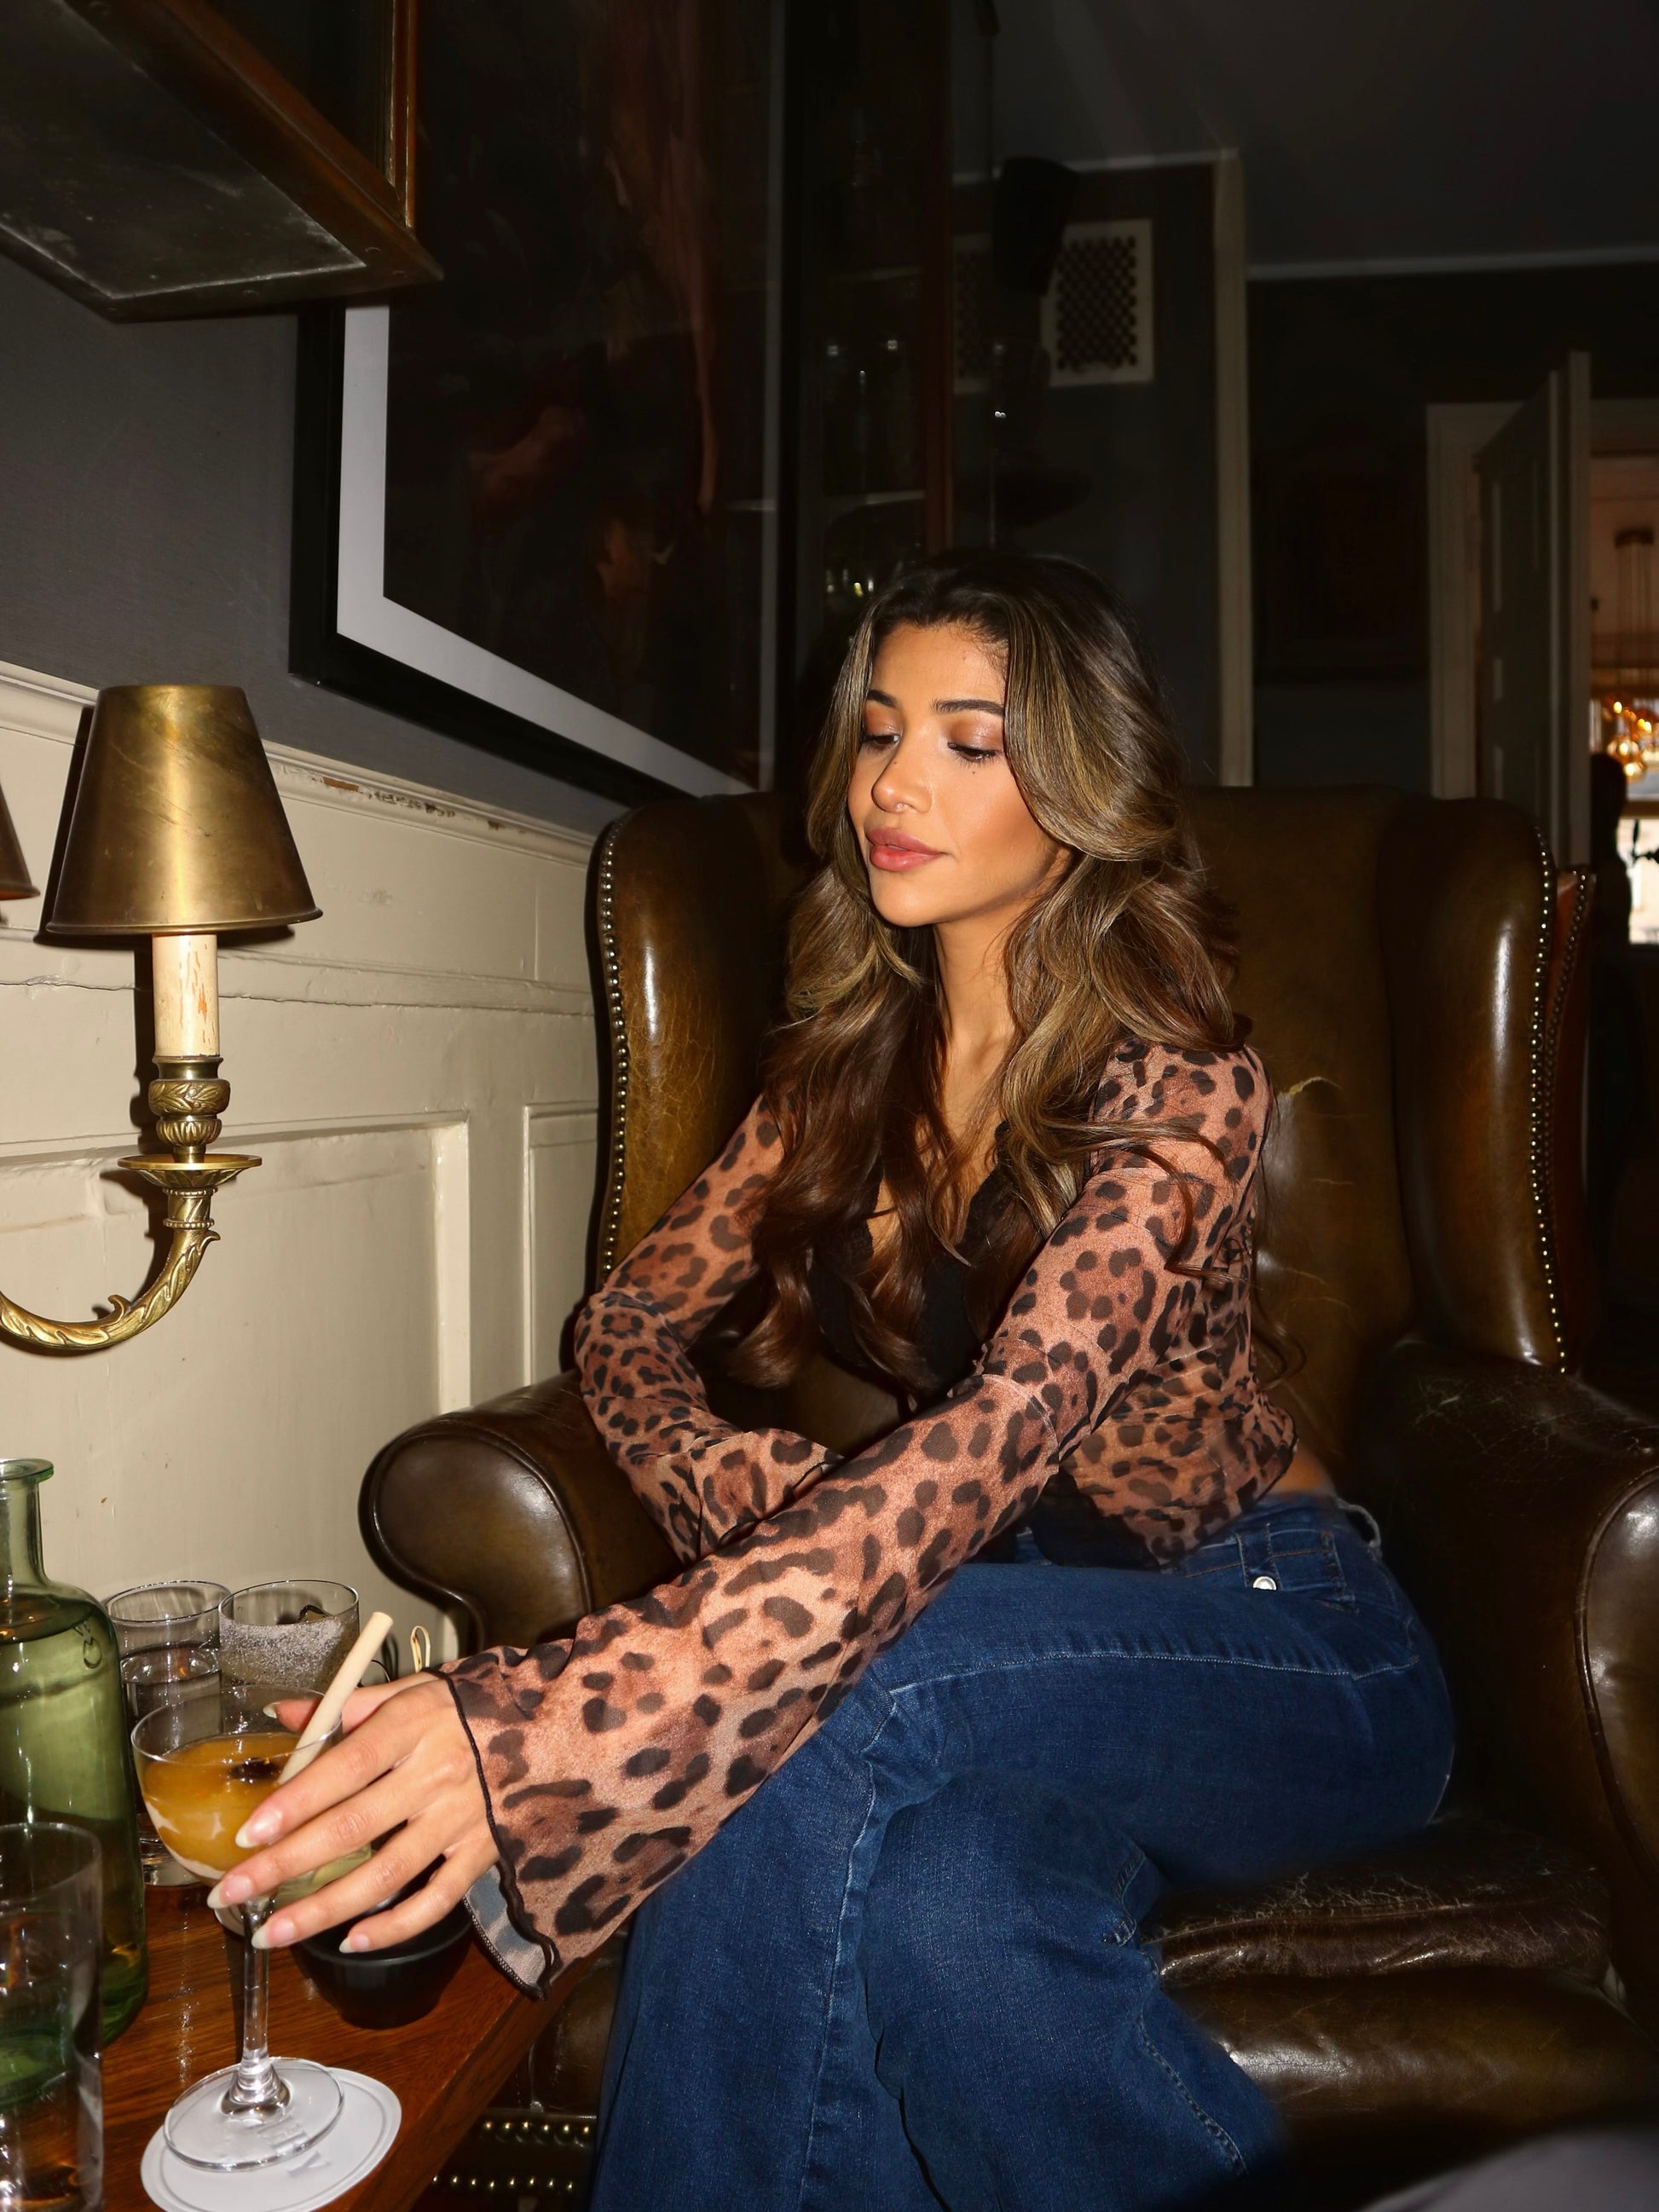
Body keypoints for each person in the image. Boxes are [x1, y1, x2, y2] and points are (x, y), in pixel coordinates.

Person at [212, 552, 1454, 2212]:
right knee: (948, 1921)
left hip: (1282, 1636)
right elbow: (622, 1329)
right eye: (878, 731)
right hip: (1010, 1659)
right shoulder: (840, 1076)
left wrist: (541, 1725)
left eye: (967, 740)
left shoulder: (1181, 1087)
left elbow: (1012, 1425)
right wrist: (734, 1480)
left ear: (1080, 790)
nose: (892, 783)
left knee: (823, 1687)